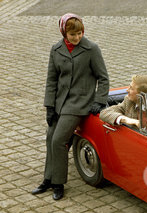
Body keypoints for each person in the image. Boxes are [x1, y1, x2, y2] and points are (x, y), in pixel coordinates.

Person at [31, 13, 109, 200]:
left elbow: (103, 78)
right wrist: (49, 106)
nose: (77, 37)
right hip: (59, 103)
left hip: (79, 103)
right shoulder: (56, 49)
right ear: (63, 32)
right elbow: (51, 79)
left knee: (58, 140)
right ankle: (47, 179)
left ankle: (58, 183)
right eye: (72, 34)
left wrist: (98, 101)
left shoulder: (91, 49)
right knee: (50, 138)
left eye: (80, 33)